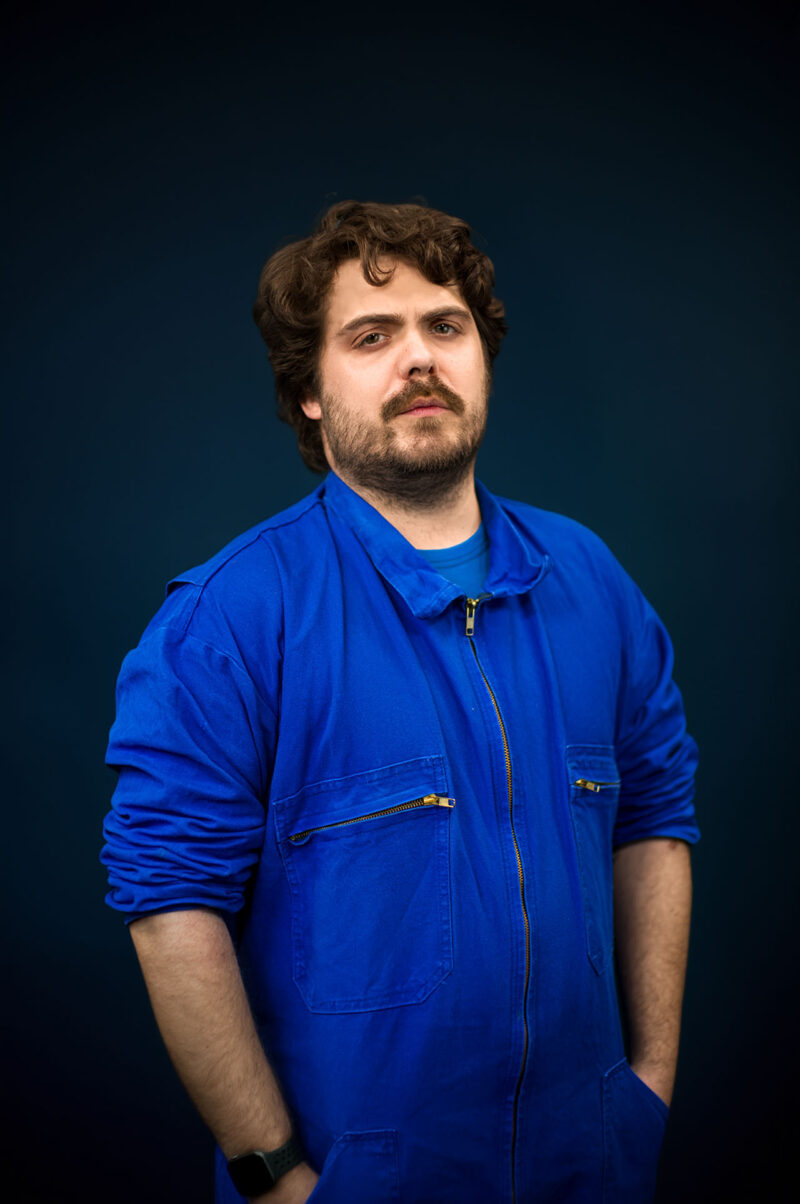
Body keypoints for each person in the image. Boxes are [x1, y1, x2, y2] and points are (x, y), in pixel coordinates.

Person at [101, 200, 700, 1204]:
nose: (419, 356)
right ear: (307, 391)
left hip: (591, 1167)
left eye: (444, 326)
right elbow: (169, 905)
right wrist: (272, 1174)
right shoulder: (229, 618)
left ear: (480, 356)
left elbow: (654, 817)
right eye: (371, 336)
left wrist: (649, 1081)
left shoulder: (591, 580)